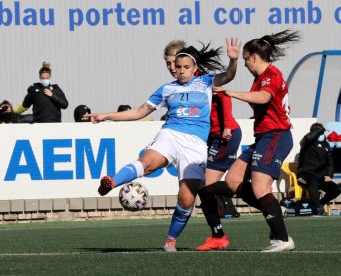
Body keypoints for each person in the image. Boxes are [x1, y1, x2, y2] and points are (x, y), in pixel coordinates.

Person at [86, 38, 241, 252]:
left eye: (186, 67)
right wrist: (106, 116)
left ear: (195, 67)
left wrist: (233, 60)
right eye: (177, 67)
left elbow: (229, 75)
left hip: (195, 144)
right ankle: (112, 181)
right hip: (170, 134)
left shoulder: (206, 81)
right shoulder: (167, 89)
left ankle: (170, 239)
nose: (180, 71)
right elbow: (140, 112)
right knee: (148, 162)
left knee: (186, 197)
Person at [203, 30, 301, 252]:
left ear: (254, 57)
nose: (246, 65)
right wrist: (233, 60)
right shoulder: (260, 78)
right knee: (233, 180)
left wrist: (231, 93)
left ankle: (282, 239)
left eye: (246, 60)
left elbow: (264, 97)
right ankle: (274, 209)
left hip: (276, 135)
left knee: (259, 186)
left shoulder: (270, 76)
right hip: (264, 137)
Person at [163, 39, 242, 251]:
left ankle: (252, 191)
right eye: (168, 64)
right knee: (201, 186)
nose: (172, 68)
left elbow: (224, 97)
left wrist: (225, 125)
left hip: (224, 134)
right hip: (208, 136)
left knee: (204, 184)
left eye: (174, 62)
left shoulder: (200, 79)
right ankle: (217, 234)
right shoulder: (180, 84)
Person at [297, 122, 341, 216]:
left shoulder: (325, 145)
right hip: (304, 177)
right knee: (312, 181)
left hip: (319, 177)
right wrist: (321, 129)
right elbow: (309, 137)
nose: (321, 135)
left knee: (336, 189)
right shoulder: (306, 142)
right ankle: (318, 208)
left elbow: (330, 162)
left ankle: (320, 203)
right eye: (319, 132)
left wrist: (329, 175)